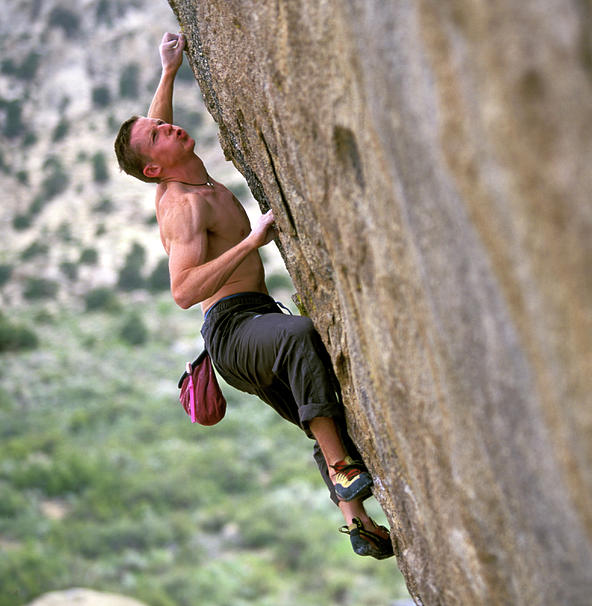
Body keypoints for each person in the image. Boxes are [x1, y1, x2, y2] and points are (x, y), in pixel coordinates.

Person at [113, 32, 392, 559]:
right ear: (156, 168)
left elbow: (149, 131)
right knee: (299, 337)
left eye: (160, 124)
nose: (167, 125)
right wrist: (250, 242)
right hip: (235, 334)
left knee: (324, 412)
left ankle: (357, 523)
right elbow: (182, 290)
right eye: (159, 135)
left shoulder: (175, 174)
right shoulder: (183, 207)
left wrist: (168, 71)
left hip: (252, 321)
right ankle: (342, 469)